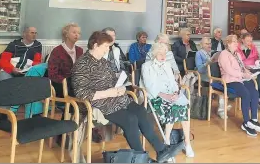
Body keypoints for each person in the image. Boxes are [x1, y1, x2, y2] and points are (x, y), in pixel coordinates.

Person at [71, 31, 184, 163]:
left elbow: (113, 79)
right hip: (98, 104)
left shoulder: (104, 62)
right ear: (95, 45)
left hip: (117, 98)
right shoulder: (81, 65)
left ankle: (161, 150)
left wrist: (120, 86)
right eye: (106, 46)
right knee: (130, 119)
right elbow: (81, 93)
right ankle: (143, 158)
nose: (108, 49)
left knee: (141, 111)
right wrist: (110, 93)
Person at [142, 43, 194, 157]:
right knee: (172, 107)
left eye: (164, 53)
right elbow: (150, 86)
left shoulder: (167, 64)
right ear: (155, 54)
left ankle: (187, 142)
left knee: (184, 106)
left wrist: (176, 93)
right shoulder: (146, 66)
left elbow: (173, 83)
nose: (163, 56)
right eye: (160, 54)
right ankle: (167, 142)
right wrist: (165, 96)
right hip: (156, 97)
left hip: (170, 94)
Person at [218, 34, 260, 136]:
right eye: (234, 42)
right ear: (228, 44)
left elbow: (242, 67)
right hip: (230, 80)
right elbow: (229, 70)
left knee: (254, 92)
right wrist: (242, 74)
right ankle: (246, 122)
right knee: (246, 94)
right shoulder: (223, 54)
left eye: (237, 41)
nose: (237, 43)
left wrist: (249, 73)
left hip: (241, 78)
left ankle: (254, 119)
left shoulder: (237, 54)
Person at [0, 26, 42, 130]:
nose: (34, 35)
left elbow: (37, 62)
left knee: (36, 83)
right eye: (31, 32)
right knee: (5, 84)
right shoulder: (14, 44)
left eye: (35, 33)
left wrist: (28, 69)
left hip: (26, 72)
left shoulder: (38, 45)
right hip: (10, 71)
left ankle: (34, 114)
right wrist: (12, 69)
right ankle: (3, 116)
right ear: (24, 34)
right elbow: (3, 61)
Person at [195, 37, 229, 119]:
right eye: (207, 43)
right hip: (205, 76)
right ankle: (222, 108)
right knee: (221, 83)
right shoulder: (199, 53)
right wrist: (208, 62)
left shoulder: (213, 52)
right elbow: (200, 69)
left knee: (224, 82)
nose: (209, 45)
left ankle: (222, 107)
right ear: (201, 45)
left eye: (210, 43)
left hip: (215, 75)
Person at [48, 23, 83, 98]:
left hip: (76, 84)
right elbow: (52, 74)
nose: (77, 35)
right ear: (66, 34)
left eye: (79, 33)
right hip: (61, 85)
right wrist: (67, 81)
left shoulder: (80, 50)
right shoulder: (57, 51)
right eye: (74, 32)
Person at [236, 33, 260, 111]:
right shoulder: (237, 48)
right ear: (242, 40)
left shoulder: (253, 47)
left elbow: (257, 57)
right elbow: (236, 61)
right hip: (242, 69)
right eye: (248, 41)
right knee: (257, 77)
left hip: (253, 68)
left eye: (251, 41)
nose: (250, 43)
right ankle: (257, 100)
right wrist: (244, 66)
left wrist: (259, 63)